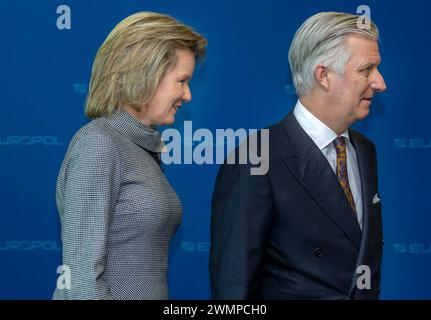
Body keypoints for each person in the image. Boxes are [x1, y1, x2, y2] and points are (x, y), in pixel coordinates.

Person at [210, 12, 386, 300]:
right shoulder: (258, 157)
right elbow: (233, 287)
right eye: (367, 70)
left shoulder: (365, 151)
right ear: (323, 75)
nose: (380, 83)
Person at [53, 12, 207, 300]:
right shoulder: (98, 144)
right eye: (182, 81)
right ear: (146, 74)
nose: (187, 95)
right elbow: (82, 279)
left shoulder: (137, 146)